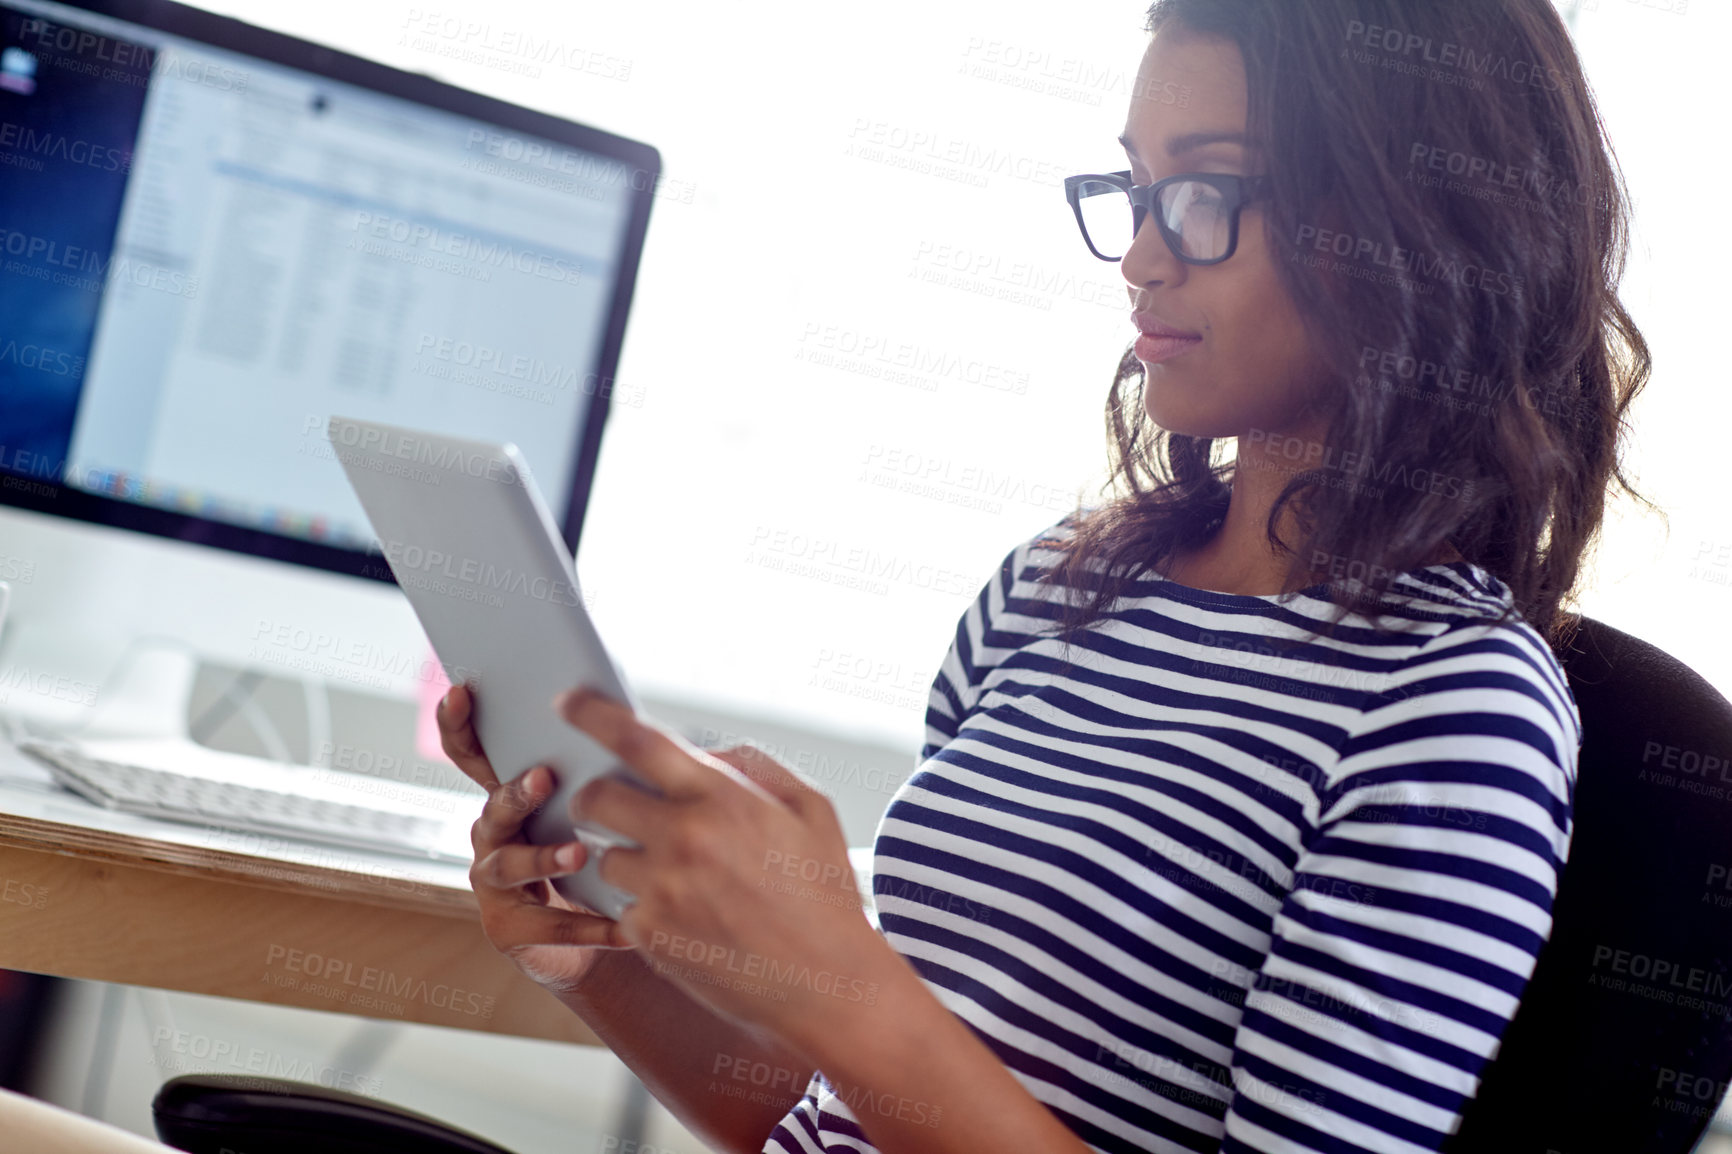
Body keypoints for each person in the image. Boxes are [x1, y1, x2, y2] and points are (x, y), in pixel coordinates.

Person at [437, 0, 1651, 1150]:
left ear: (1420, 225)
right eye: (1133, 187)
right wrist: (597, 959)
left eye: (1203, 190)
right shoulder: (1054, 591)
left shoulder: (1450, 712)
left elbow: (870, 1044)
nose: (1137, 254)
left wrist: (838, 982)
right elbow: (838, 1117)